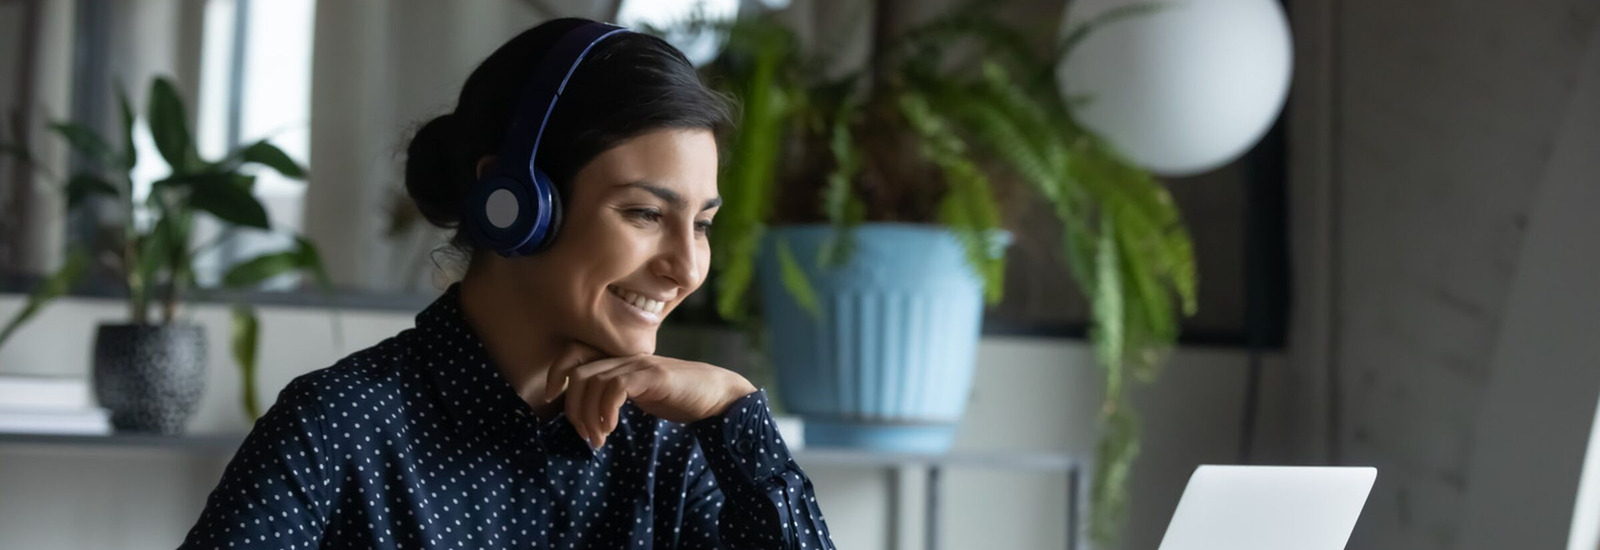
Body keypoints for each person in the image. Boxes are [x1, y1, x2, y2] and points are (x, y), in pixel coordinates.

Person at [178, 17, 836, 549]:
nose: (687, 267)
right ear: (514, 203)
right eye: (646, 213)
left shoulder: (671, 445)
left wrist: (734, 407)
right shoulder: (339, 427)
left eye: (702, 225)